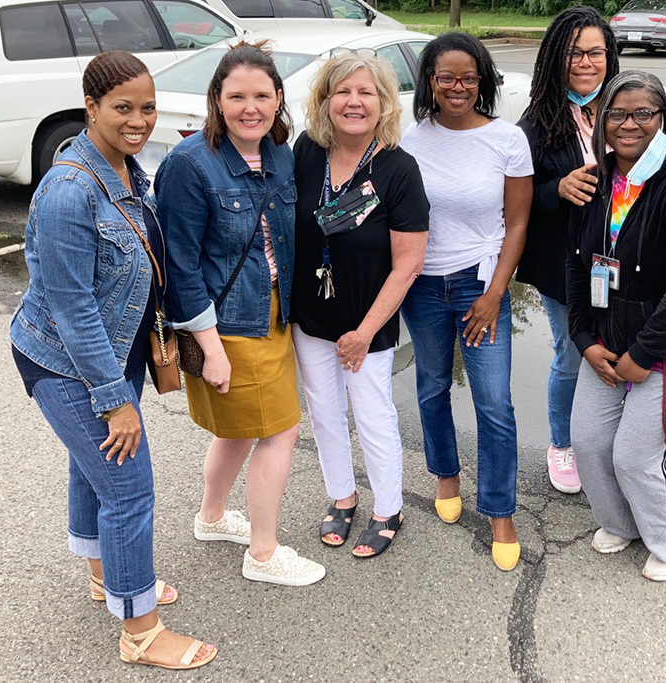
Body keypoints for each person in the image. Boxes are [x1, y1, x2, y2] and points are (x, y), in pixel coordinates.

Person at [9, 51, 216, 669]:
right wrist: (115, 398)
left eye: (147, 108)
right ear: (91, 106)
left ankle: (109, 580)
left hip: (113, 347)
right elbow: (72, 311)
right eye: (123, 108)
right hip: (69, 362)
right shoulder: (69, 190)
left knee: (92, 468)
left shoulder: (125, 168)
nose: (139, 120)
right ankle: (141, 632)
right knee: (129, 490)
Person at [155, 41, 325, 586]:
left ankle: (210, 518)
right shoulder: (189, 164)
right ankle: (264, 552)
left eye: (261, 95)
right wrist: (210, 349)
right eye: (236, 96)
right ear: (217, 100)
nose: (250, 107)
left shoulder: (279, 153)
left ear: (278, 98)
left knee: (237, 432)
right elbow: (180, 267)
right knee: (280, 430)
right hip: (226, 323)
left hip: (273, 311)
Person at [566, 70, 666, 582]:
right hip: (609, 341)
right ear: (601, 120)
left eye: (643, 113)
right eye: (616, 113)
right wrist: (584, 340)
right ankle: (625, 523)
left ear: (665, 121)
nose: (628, 124)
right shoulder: (596, 179)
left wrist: (643, 353)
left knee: (638, 457)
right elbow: (576, 263)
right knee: (589, 444)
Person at [400, 33, 533, 572]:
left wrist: (495, 292)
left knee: (494, 401)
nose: (458, 86)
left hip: (482, 283)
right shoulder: (409, 139)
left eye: (469, 77)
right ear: (430, 80)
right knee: (431, 386)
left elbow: (519, 222)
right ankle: (446, 475)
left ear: (483, 81)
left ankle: (500, 510)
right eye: (447, 76)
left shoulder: (506, 139)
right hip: (424, 285)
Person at [291, 51, 429, 558]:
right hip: (312, 318)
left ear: (383, 102)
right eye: (342, 92)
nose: (353, 102)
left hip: (367, 324)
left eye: (365, 92)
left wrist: (365, 331)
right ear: (325, 102)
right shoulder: (306, 151)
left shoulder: (398, 169)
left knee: (372, 414)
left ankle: (387, 507)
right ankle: (342, 497)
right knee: (325, 413)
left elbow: (408, 263)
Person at [516, 6, 619, 494]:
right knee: (574, 353)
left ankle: (610, 439)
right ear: (556, 57)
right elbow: (515, 201)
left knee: (622, 346)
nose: (585, 62)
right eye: (574, 52)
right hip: (567, 264)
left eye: (595, 52)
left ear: (609, 55)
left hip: (625, 259)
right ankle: (563, 444)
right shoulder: (537, 122)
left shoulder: (627, 106)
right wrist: (556, 189)